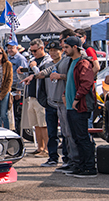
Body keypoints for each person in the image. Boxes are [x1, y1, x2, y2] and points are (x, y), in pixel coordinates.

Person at [22, 40, 69, 168]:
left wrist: (60, 76)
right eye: (51, 51)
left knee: (65, 133)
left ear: (62, 50)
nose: (53, 53)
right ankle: (52, 157)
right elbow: (41, 74)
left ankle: (67, 159)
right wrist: (32, 76)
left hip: (63, 102)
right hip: (50, 102)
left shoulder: (65, 63)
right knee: (52, 132)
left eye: (55, 50)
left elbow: (70, 76)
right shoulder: (47, 65)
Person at [63, 36, 97, 177]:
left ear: (74, 47)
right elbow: (71, 81)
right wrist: (65, 95)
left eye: (66, 47)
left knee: (82, 138)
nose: (64, 50)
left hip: (79, 107)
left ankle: (89, 168)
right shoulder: (73, 62)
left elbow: (86, 83)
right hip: (72, 107)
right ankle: (81, 166)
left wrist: (76, 99)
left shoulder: (83, 63)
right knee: (77, 138)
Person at [17, 39, 52, 157]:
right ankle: (39, 147)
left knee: (43, 124)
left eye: (35, 50)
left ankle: (47, 149)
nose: (33, 53)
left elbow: (43, 75)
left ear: (42, 48)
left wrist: (35, 67)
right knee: (36, 124)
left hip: (41, 96)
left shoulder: (47, 61)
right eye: (31, 51)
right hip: (31, 95)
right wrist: (20, 72)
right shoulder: (33, 60)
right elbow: (27, 74)